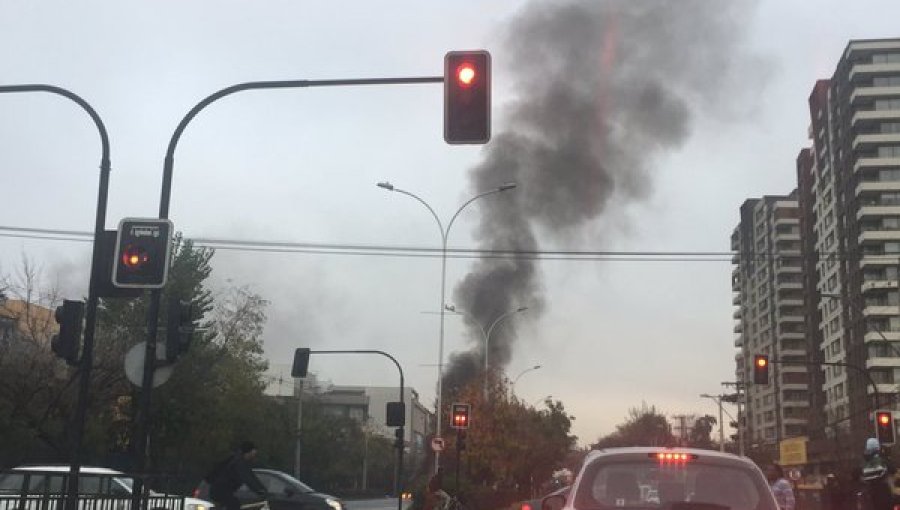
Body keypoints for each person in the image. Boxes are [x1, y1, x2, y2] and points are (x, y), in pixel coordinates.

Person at [206, 441, 268, 510]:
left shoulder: (243, 462)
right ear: (249, 452)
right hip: (219, 490)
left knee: (233, 503)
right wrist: (259, 491)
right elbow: (247, 479)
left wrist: (263, 489)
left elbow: (253, 477)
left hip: (222, 490)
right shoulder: (239, 463)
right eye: (254, 452)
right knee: (235, 504)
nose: (255, 454)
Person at [861, 438, 895, 510]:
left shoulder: (865, 462)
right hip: (883, 493)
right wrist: (887, 457)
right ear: (878, 448)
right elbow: (892, 469)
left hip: (870, 494)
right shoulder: (881, 460)